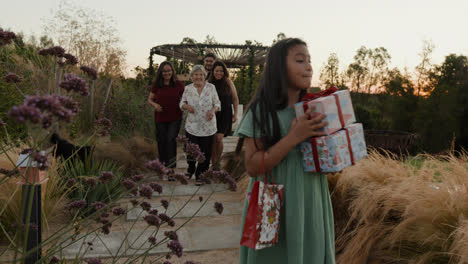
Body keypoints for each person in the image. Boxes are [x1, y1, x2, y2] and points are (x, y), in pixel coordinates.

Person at [234, 38, 335, 263]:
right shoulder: (262, 111)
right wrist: (293, 137)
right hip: (274, 203)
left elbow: (317, 154)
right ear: (279, 68)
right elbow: (251, 166)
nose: (308, 66)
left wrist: (332, 159)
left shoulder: (314, 109)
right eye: (300, 60)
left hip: (311, 199)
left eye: (310, 60)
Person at [180, 65, 221, 185]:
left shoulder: (211, 87)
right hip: (192, 126)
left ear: (205, 76)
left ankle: (200, 174)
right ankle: (191, 169)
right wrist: (187, 106)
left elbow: (217, 103)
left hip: (208, 126)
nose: (198, 77)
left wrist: (213, 111)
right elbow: (181, 103)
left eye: (201, 74)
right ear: (192, 76)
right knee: (191, 151)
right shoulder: (187, 88)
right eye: (196, 74)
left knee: (205, 152)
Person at [148, 61, 184, 175]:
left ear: (172, 71)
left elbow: (186, 98)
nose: (166, 73)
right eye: (164, 71)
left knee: (171, 140)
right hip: (160, 117)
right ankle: (162, 167)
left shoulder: (178, 84)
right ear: (161, 72)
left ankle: (171, 169)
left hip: (175, 117)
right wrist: (155, 105)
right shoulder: (157, 84)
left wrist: (185, 105)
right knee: (162, 141)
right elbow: (149, 99)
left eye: (169, 71)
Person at [208, 60, 239, 167]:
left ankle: (217, 161)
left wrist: (235, 114)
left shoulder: (228, 82)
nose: (219, 73)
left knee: (219, 138)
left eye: (221, 71)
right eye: (216, 71)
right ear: (213, 71)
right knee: (212, 140)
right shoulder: (208, 82)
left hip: (225, 113)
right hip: (213, 114)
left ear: (224, 72)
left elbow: (235, 99)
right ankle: (213, 163)